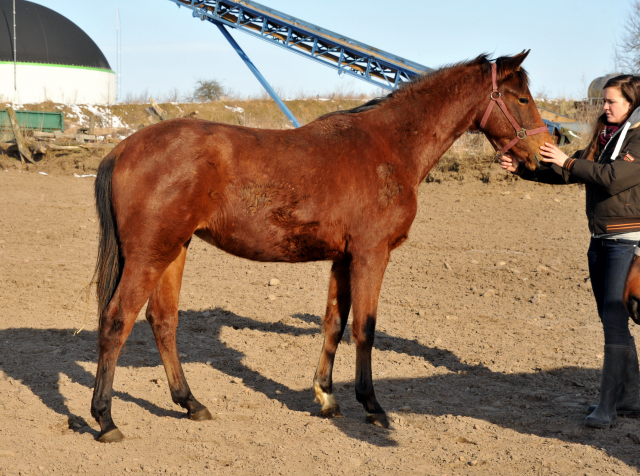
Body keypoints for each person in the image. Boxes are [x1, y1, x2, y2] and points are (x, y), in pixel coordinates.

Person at [500, 75, 640, 428]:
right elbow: (571, 172)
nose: (604, 107)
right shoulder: (606, 135)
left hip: (627, 241)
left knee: (613, 321)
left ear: (632, 102)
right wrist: (524, 171)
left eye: (611, 102)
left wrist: (566, 160)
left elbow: (612, 177)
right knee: (613, 321)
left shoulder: (638, 136)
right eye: (604, 101)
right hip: (600, 239)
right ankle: (632, 398)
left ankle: (607, 407)